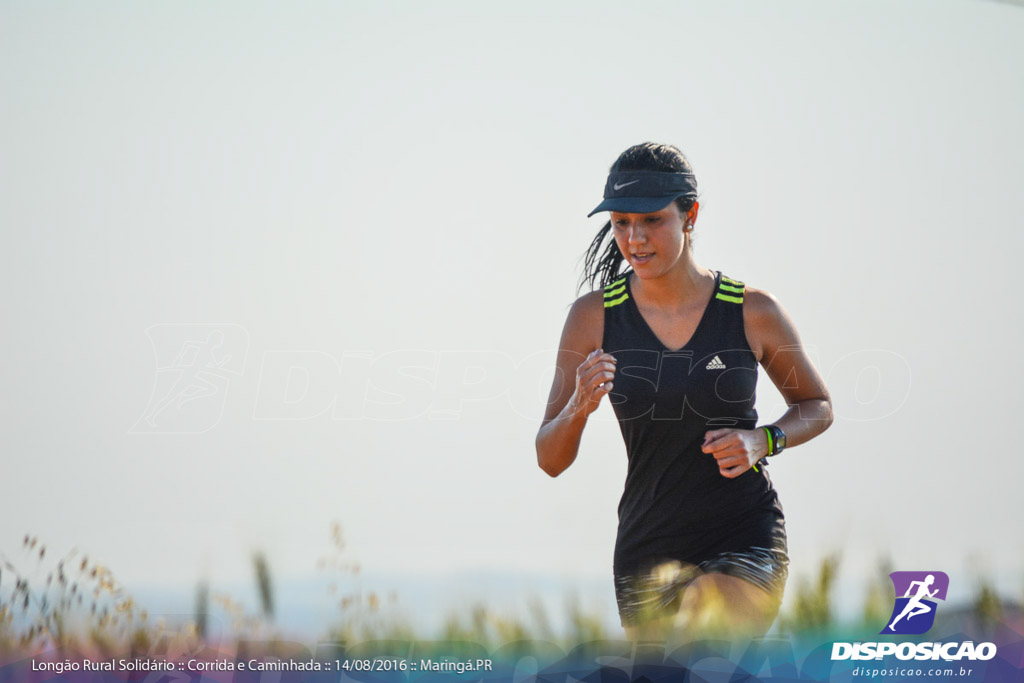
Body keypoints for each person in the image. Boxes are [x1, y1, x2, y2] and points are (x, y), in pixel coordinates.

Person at [535, 142, 834, 641]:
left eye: (652, 220)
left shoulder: (751, 310)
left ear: (689, 214)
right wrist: (580, 408)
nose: (635, 239)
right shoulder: (592, 318)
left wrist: (764, 440)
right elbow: (550, 457)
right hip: (646, 549)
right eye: (621, 223)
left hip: (744, 534)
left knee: (706, 631)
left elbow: (816, 405)